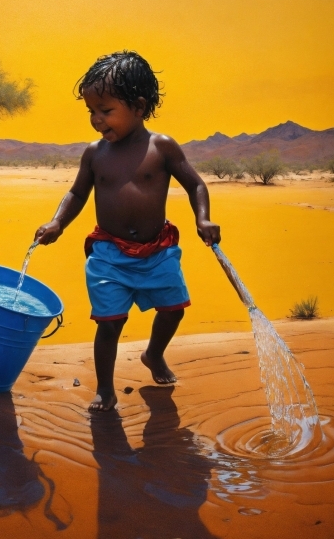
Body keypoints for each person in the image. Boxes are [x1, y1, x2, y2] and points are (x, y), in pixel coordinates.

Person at [34, 51, 220, 411]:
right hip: (109, 255)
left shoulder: (161, 147)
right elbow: (76, 193)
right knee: (109, 324)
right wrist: (57, 222)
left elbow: (195, 184)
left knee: (174, 310)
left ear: (138, 106)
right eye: (91, 111)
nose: (96, 119)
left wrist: (203, 218)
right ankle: (105, 388)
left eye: (105, 110)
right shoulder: (95, 154)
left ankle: (154, 353)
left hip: (158, 251)